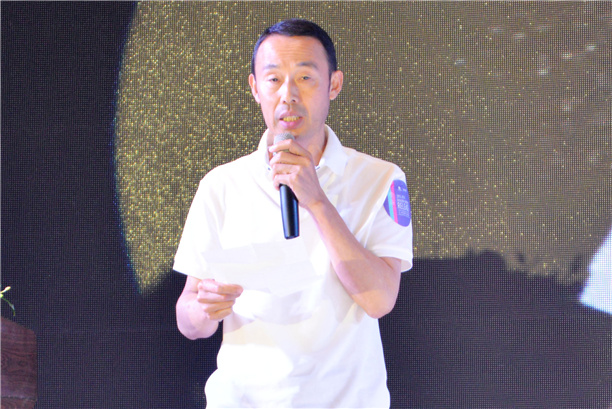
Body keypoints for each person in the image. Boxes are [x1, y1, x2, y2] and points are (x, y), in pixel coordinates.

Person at [174, 18, 413, 408]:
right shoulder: (222, 185)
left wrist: (317, 200)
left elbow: (380, 300)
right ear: (255, 88)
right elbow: (188, 320)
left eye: (305, 78)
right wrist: (204, 309)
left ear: (334, 84)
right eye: (273, 79)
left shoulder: (381, 179)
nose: (288, 95)